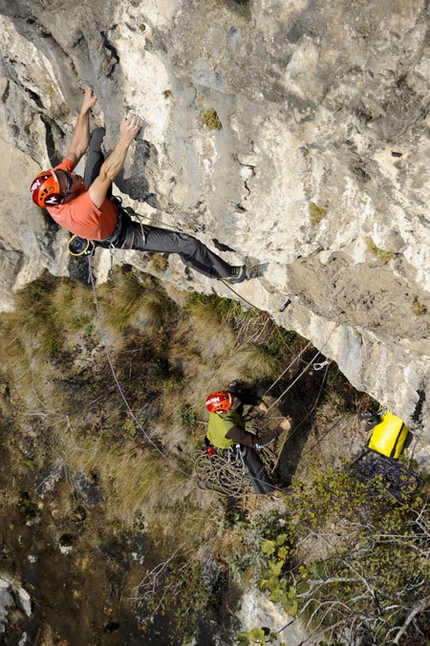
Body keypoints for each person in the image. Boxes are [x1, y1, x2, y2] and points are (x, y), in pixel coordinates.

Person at [29, 87, 249, 283]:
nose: (72, 175)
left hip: (95, 202)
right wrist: (126, 138)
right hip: (123, 232)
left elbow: (75, 150)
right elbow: (105, 175)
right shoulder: (79, 209)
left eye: (64, 174)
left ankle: (93, 226)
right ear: (64, 197)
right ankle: (226, 273)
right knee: (187, 244)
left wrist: (85, 109)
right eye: (69, 180)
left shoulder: (57, 183)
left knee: (96, 137)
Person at [205, 384, 293, 495]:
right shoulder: (231, 429)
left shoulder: (223, 404)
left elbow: (238, 398)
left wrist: (259, 402)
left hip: (213, 435)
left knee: (235, 396)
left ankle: (232, 387)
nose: (236, 398)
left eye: (231, 396)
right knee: (255, 464)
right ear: (225, 411)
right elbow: (258, 443)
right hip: (225, 445)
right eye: (233, 401)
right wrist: (280, 428)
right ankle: (270, 490)